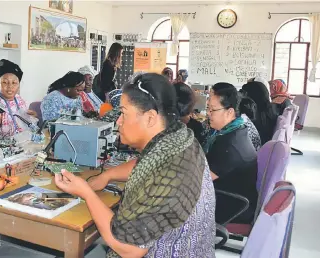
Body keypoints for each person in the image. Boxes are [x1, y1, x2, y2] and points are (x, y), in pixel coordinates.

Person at [55, 73, 216, 258]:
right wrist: (107, 175)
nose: (118, 121)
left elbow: (128, 248)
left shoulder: (170, 171)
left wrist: (86, 192)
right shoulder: (180, 140)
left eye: (123, 113)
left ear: (150, 118)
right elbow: (144, 165)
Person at [204, 83, 258, 225]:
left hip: (232, 206)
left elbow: (200, 180)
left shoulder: (231, 146)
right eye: (207, 108)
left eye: (212, 110)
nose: (207, 114)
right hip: (226, 193)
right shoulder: (234, 130)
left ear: (229, 112)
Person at [0, 59, 37, 138]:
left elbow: (26, 125)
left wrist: (32, 118)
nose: (10, 86)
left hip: (20, 143)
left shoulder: (19, 100)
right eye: (5, 82)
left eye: (14, 83)